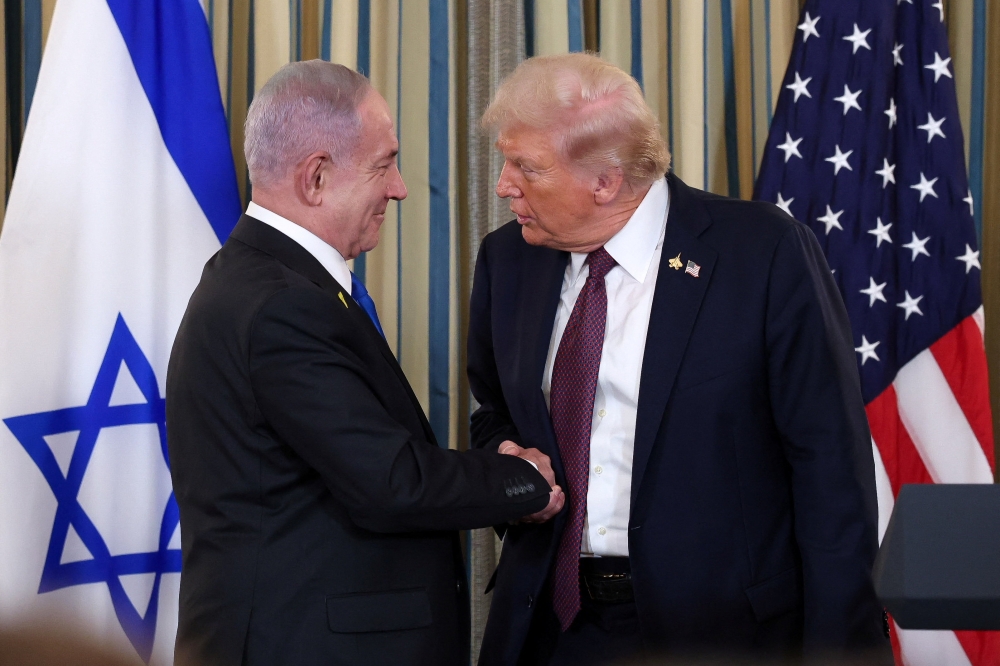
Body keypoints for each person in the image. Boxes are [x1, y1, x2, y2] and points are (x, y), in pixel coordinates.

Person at [468, 53, 891, 666]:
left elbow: (830, 468)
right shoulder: (509, 259)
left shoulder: (762, 253)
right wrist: (505, 457)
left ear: (605, 180)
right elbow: (494, 411)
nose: (505, 185)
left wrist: (837, 650)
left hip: (719, 635)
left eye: (526, 168)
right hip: (549, 629)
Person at [166, 60, 564, 666]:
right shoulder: (281, 306)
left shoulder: (267, 281)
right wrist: (523, 479)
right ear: (317, 177)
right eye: (384, 164)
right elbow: (391, 482)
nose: (400, 188)